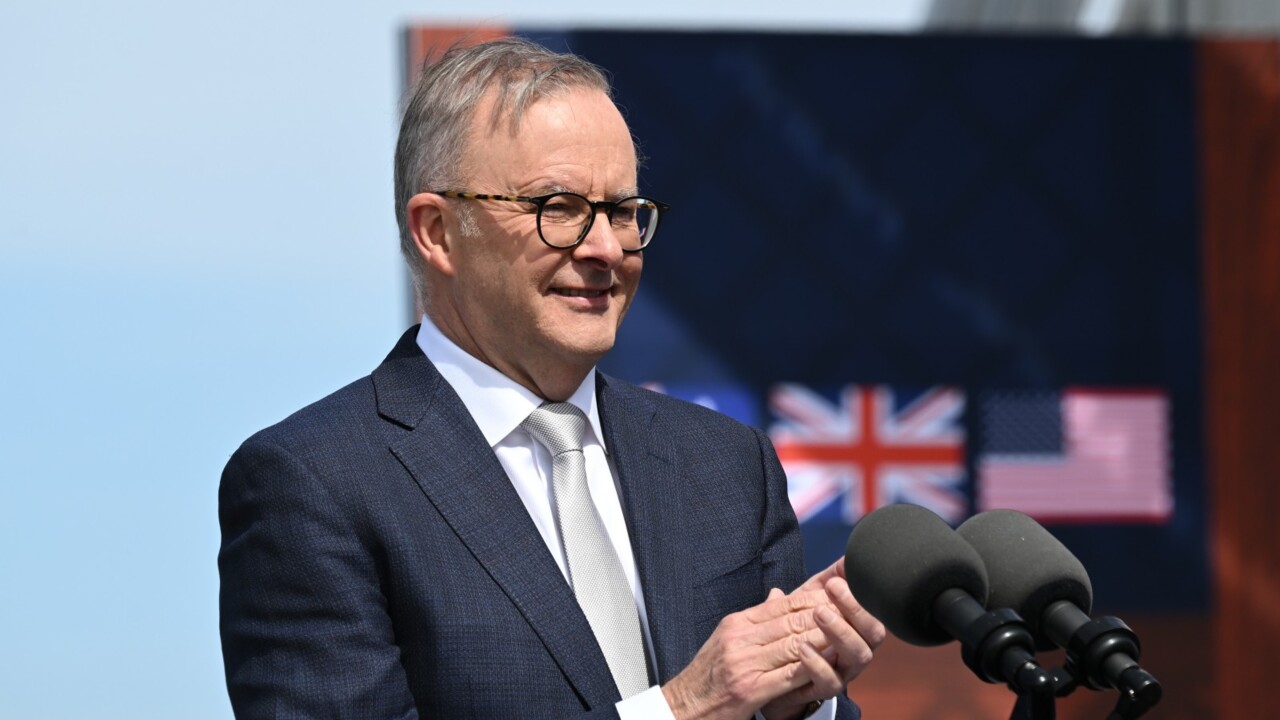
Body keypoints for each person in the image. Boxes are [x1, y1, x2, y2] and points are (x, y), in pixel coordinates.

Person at [218, 37, 884, 720]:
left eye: (623, 211)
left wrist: (800, 704)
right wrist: (683, 710)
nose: (603, 248)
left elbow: (759, 697)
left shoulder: (725, 466)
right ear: (438, 232)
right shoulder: (316, 483)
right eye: (558, 208)